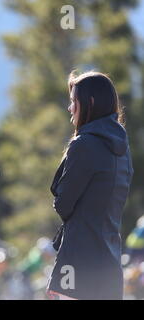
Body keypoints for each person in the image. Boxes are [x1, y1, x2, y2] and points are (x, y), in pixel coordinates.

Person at [47, 71, 133, 300]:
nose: (70, 108)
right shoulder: (122, 148)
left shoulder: (84, 145)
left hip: (77, 261)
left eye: (74, 101)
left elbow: (63, 205)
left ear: (90, 103)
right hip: (110, 262)